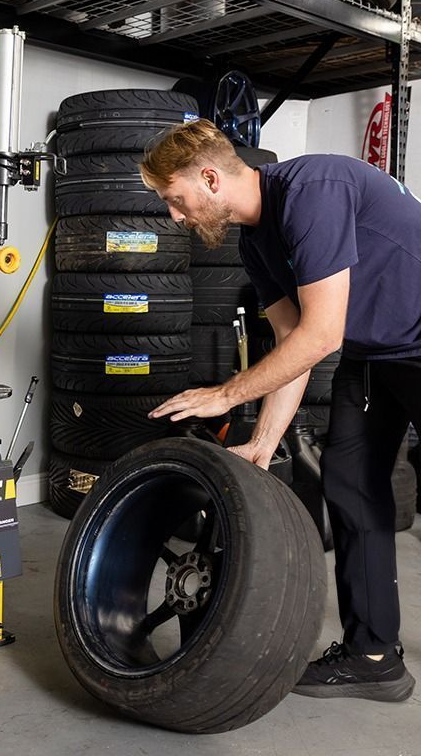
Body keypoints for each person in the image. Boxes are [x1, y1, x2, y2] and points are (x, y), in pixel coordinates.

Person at [140, 118, 420, 703]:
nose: (176, 217)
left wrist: (225, 394)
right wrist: (265, 441)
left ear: (210, 178)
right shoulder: (255, 241)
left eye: (175, 200)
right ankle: (374, 657)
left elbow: (321, 335)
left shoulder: (315, 189)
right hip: (376, 355)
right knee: (351, 485)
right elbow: (294, 345)